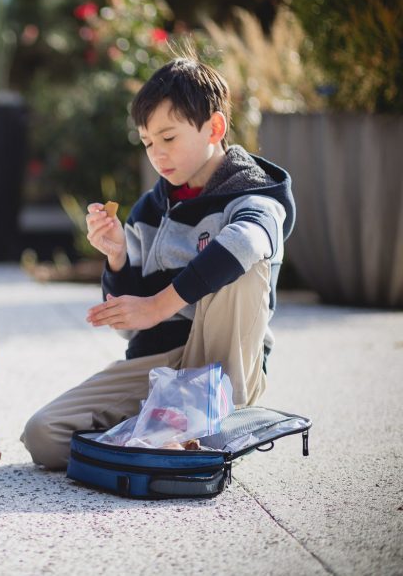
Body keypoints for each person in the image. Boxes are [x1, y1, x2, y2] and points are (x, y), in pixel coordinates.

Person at [22, 56, 296, 469]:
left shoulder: (255, 197)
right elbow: (129, 327)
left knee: (244, 259)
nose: (158, 155)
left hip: (221, 364)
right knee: (44, 435)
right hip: (157, 367)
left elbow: (248, 242)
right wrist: (117, 257)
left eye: (168, 137)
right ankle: (162, 435)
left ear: (215, 128)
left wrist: (158, 305)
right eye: (148, 143)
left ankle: (212, 424)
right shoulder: (150, 210)